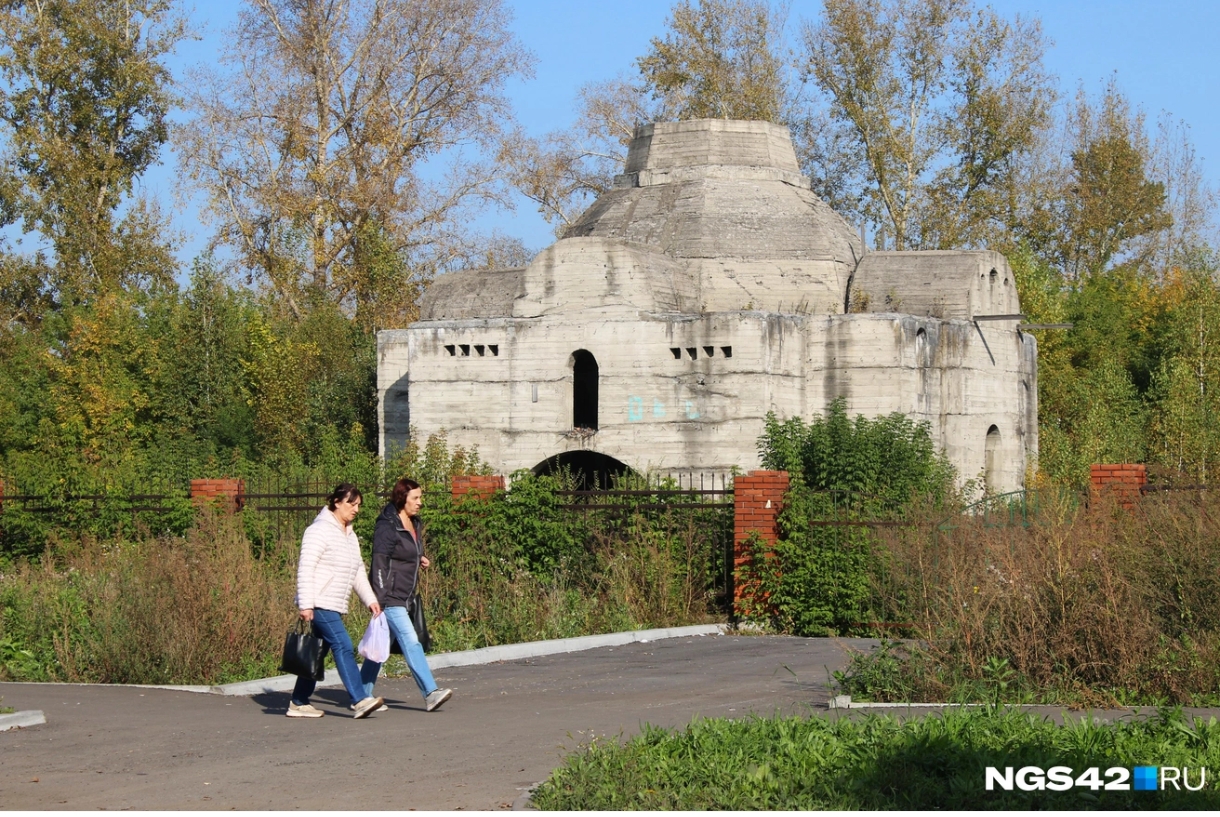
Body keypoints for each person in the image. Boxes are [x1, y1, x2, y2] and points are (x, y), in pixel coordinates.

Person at [287, 483, 386, 719]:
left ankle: (299, 702)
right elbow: (306, 567)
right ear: (337, 502)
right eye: (352, 504)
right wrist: (306, 604)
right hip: (319, 602)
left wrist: (370, 599)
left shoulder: (349, 534)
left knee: (318, 652)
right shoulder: (318, 530)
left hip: (333, 603)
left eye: (358, 505)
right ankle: (360, 699)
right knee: (343, 644)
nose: (356, 510)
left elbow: (357, 570)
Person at [359, 477, 453, 712]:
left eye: (420, 497)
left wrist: (419, 557)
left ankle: (360, 695)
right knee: (411, 641)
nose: (420, 502)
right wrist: (378, 600)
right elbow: (379, 563)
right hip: (390, 597)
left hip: (405, 596)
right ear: (403, 499)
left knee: (379, 649)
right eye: (416, 498)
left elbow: (409, 549)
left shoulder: (414, 523)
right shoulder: (387, 526)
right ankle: (430, 693)